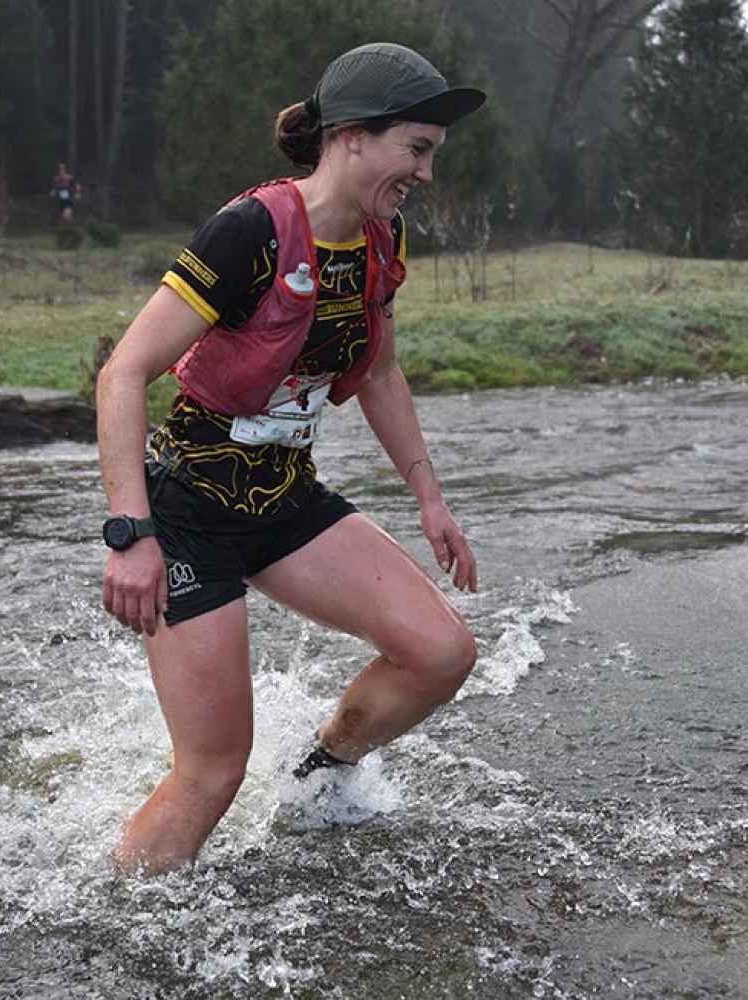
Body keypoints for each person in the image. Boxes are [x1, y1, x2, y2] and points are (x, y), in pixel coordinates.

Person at [95, 42, 486, 876]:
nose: (424, 173)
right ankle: (117, 917)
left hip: (283, 497)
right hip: (188, 512)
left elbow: (378, 372)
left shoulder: (380, 238)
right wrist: (130, 533)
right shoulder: (250, 232)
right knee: (213, 772)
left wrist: (429, 499)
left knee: (441, 652)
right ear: (351, 136)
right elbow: (122, 374)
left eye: (431, 155)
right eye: (415, 150)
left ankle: (317, 780)